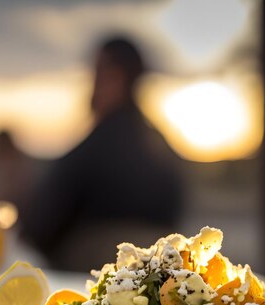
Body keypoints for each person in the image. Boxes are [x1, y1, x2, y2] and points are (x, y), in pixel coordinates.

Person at [19, 36, 185, 271]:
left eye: (96, 72)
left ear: (115, 77)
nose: (91, 85)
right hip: (155, 277)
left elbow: (44, 222)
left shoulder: (97, 144)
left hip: (93, 275)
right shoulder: (160, 144)